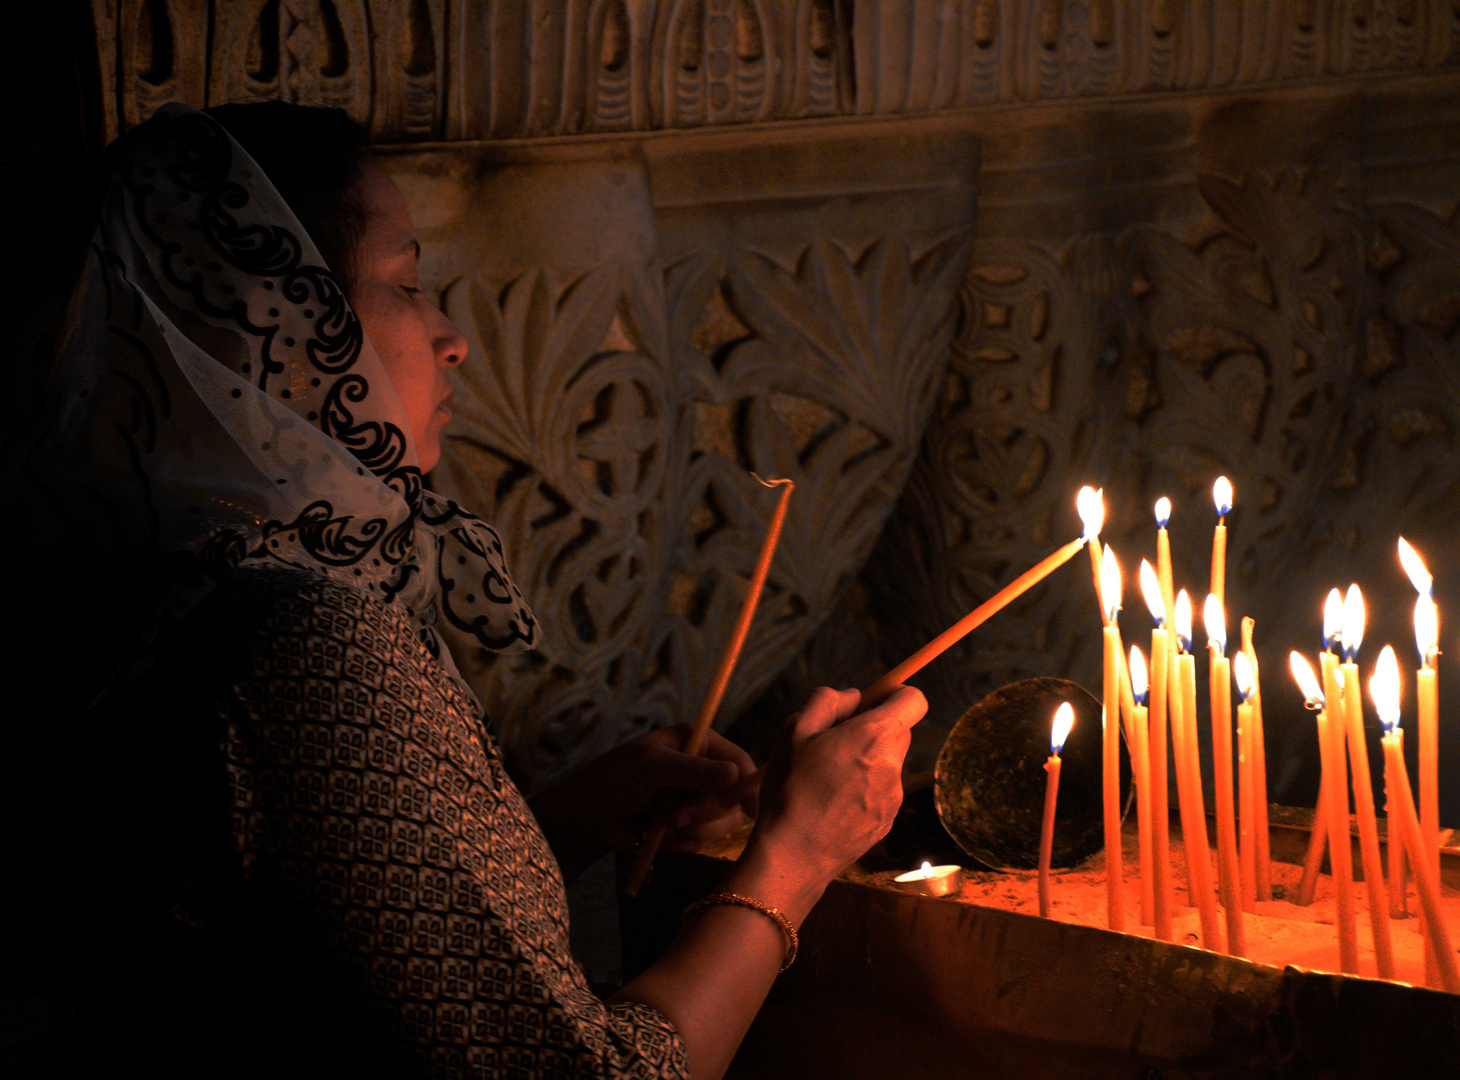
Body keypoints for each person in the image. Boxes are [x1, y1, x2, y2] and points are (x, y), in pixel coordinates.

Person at [36, 101, 925, 1079]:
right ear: (278, 327)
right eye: (405, 283)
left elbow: (327, 961)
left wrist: (565, 826)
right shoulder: (303, 652)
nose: (450, 337)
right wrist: (792, 862)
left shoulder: (175, 590)